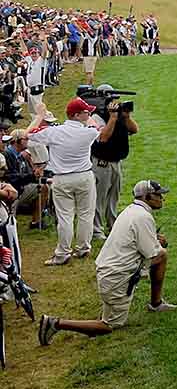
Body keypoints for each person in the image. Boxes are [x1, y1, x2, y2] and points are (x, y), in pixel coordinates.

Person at [38, 180, 177, 344]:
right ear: (147, 196)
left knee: (162, 254)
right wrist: (160, 243)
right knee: (110, 325)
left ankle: (156, 303)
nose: (162, 199)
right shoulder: (143, 217)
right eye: (158, 195)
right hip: (116, 276)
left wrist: (156, 242)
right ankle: (55, 323)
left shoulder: (132, 210)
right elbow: (150, 254)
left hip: (109, 271)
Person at [29, 97, 121, 265]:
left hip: (62, 178)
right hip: (84, 177)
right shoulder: (88, 132)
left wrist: (39, 116)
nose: (89, 113)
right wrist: (98, 116)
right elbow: (100, 131)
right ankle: (83, 248)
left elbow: (29, 134)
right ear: (77, 115)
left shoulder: (55, 132)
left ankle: (63, 253)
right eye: (85, 112)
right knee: (86, 214)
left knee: (66, 217)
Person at [89, 85, 139, 241]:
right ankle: (96, 230)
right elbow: (103, 138)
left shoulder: (120, 116)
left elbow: (135, 129)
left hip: (116, 162)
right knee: (99, 198)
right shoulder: (97, 116)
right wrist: (112, 118)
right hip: (102, 163)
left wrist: (126, 116)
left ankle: (112, 224)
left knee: (113, 197)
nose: (114, 103)